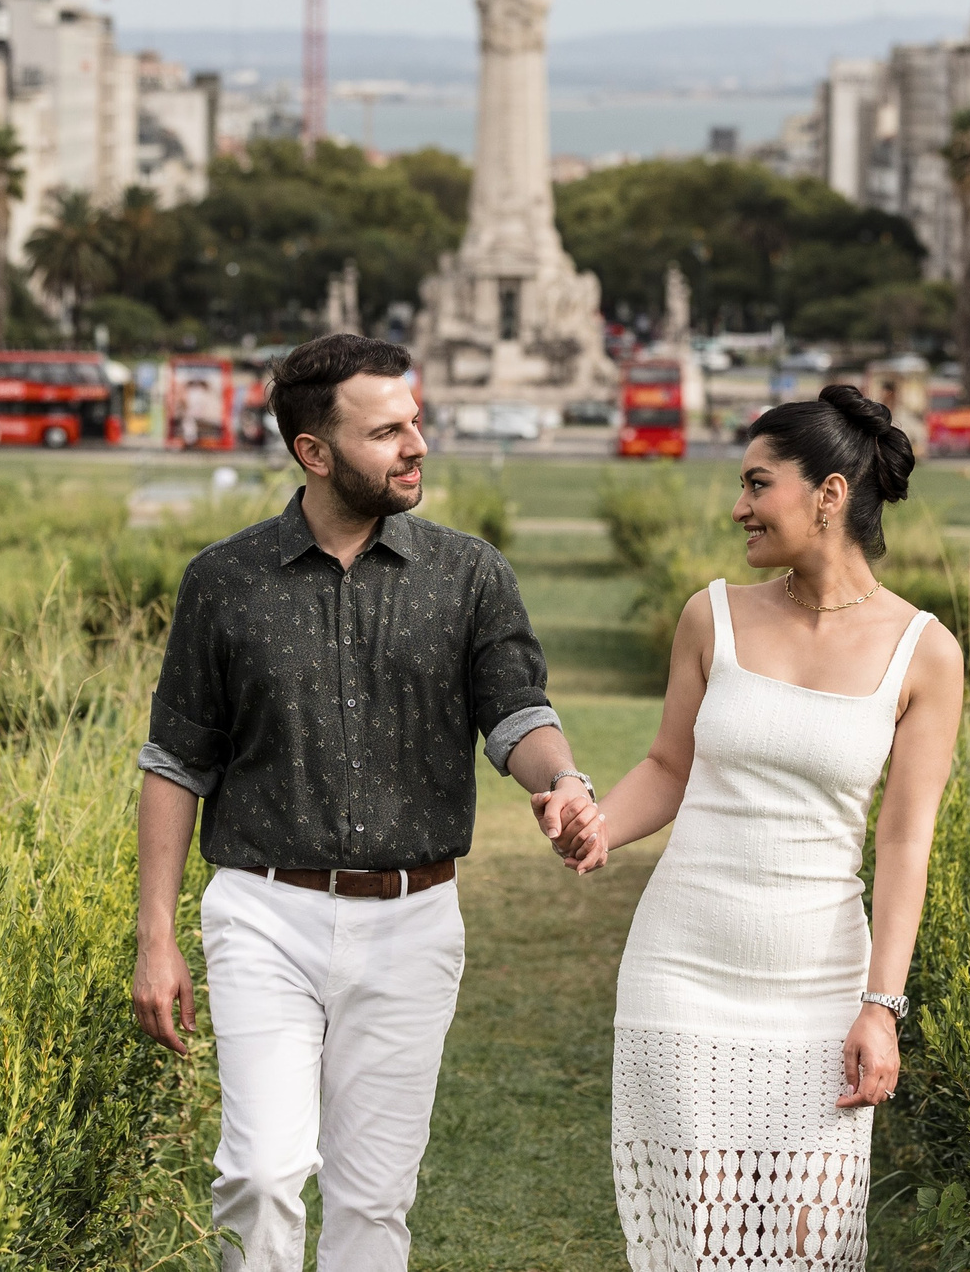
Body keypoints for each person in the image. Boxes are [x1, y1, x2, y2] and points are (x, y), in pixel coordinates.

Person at [131, 333, 602, 1272]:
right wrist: (155, 934)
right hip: (264, 913)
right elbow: (175, 762)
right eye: (387, 430)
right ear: (314, 451)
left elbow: (516, 711)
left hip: (413, 921)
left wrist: (563, 783)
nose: (416, 442)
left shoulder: (467, 574)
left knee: (374, 1201)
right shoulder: (224, 582)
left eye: (415, 419)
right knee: (261, 1176)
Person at [550, 385, 965, 1269]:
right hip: (683, 972)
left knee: (808, 1244)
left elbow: (904, 841)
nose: (738, 507)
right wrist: (598, 826)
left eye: (756, 484)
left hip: (820, 986)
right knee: (699, 1243)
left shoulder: (924, 651)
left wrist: (881, 1007)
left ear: (829, 495)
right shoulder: (714, 615)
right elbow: (668, 765)